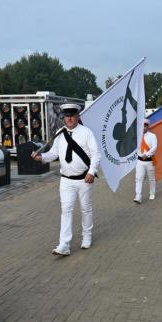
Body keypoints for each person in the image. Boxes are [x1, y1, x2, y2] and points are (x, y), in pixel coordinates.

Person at [32, 103, 100, 254]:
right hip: (66, 180)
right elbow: (54, 154)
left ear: (77, 116)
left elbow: (96, 154)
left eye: (72, 115)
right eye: (66, 116)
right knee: (66, 210)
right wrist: (41, 157)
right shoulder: (59, 133)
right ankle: (64, 244)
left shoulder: (86, 132)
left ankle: (87, 236)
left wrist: (91, 171)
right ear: (64, 117)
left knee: (85, 209)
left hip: (84, 179)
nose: (69, 119)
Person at [134, 119, 157, 203]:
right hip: (139, 161)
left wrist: (146, 154)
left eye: (145, 125)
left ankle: (152, 192)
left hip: (149, 161)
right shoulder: (137, 136)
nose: (143, 127)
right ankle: (138, 195)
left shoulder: (152, 136)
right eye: (142, 125)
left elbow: (154, 147)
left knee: (151, 178)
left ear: (148, 126)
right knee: (138, 178)